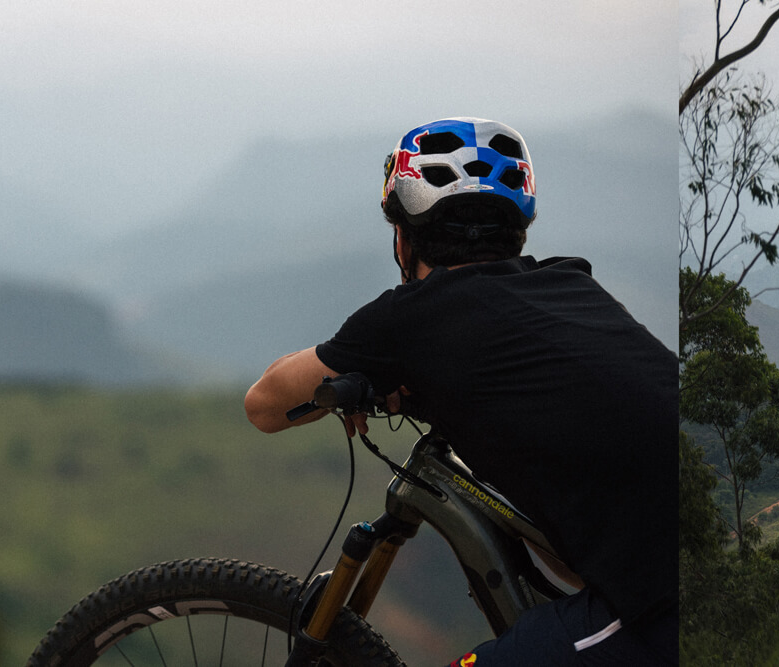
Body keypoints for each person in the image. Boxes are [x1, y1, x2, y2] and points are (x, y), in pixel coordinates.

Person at [243, 117, 678, 666]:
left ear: (403, 238)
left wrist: (372, 373)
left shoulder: (409, 320)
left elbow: (265, 404)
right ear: (519, 232)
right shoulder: (576, 284)